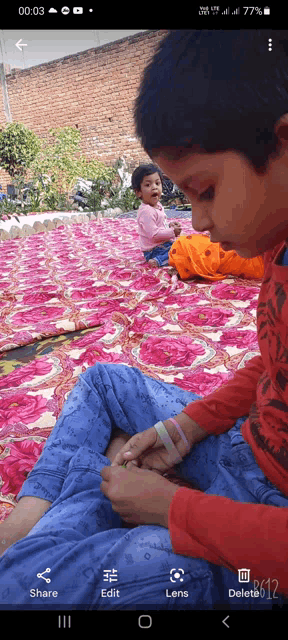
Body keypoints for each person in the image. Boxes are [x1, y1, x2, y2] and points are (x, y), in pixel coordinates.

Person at [1, 28, 288, 611]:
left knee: (29, 581)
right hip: (248, 448)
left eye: (204, 191)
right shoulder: (277, 249)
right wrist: (185, 427)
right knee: (105, 384)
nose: (199, 220)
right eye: (181, 195)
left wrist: (174, 510)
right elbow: (271, 361)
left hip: (265, 526)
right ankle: (30, 521)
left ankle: (40, 536)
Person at [132, 164, 182, 266]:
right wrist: (172, 232)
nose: (154, 187)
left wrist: (169, 226)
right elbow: (154, 235)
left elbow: (159, 225)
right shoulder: (146, 212)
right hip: (154, 250)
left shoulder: (157, 206)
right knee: (181, 253)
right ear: (138, 192)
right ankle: (158, 261)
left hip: (162, 245)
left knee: (183, 245)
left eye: (157, 183)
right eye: (148, 185)